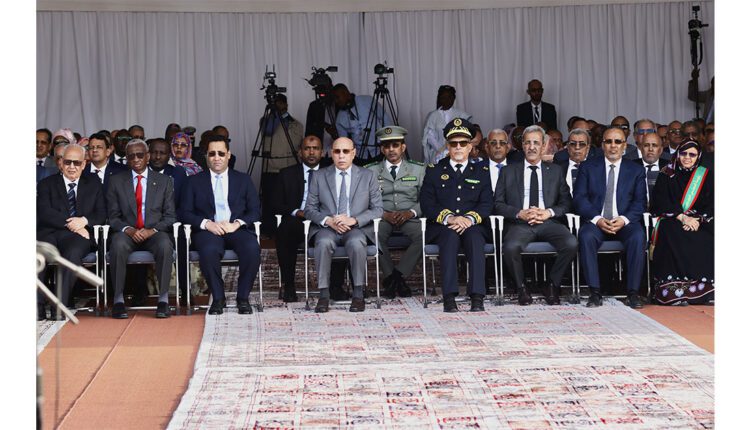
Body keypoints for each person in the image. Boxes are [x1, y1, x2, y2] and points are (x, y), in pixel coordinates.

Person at [494, 125, 577, 305]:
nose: (532, 147)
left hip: (548, 222)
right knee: (510, 247)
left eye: (536, 143)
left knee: (571, 243)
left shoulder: (555, 171)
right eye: (528, 143)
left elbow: (566, 203)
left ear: (544, 146)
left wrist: (548, 212)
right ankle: (521, 287)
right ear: (522, 145)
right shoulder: (508, 171)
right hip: (520, 224)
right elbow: (498, 204)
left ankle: (552, 285)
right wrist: (519, 213)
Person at [180, 135, 262, 315]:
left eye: (221, 153)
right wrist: (206, 224)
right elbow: (184, 212)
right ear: (206, 156)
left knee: (252, 248)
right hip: (209, 230)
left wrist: (237, 224)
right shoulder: (193, 181)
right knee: (208, 250)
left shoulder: (243, 179)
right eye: (212, 154)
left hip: (236, 228)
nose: (216, 158)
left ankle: (243, 298)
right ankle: (218, 298)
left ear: (229, 155)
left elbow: (255, 210)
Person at [419, 118, 493, 312]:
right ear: (448, 146)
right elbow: (427, 203)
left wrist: (468, 219)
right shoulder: (434, 171)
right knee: (450, 238)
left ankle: (477, 296)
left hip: (472, 224)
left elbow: (487, 203)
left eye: (463, 143)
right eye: (454, 143)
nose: (458, 147)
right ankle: (449, 297)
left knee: (475, 239)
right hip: (444, 225)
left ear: (470, 146)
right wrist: (450, 218)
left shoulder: (481, 171)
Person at [304, 137, 384, 313]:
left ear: (353, 153)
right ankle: (324, 295)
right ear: (331, 154)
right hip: (328, 229)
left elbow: (378, 209)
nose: (341, 155)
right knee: (323, 243)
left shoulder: (367, 175)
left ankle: (358, 294)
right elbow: (309, 209)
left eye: (345, 151)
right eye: (337, 151)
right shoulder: (319, 176)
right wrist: (328, 220)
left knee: (356, 243)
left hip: (355, 228)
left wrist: (353, 220)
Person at [573, 126, 647, 309]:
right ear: (602, 145)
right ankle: (595, 292)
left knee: (638, 236)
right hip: (597, 222)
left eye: (618, 142)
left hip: (624, 222)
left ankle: (633, 293)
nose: (613, 146)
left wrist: (623, 220)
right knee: (586, 236)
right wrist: (597, 219)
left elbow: (640, 202)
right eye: (608, 141)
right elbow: (579, 199)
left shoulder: (636, 170)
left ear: (625, 146)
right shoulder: (588, 167)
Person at [274, 136, 349, 302]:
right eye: (307, 148)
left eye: (315, 148)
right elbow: (276, 204)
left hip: (326, 220)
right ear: (300, 152)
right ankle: (289, 285)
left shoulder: (334, 172)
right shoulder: (286, 174)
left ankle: (336, 286)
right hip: (299, 220)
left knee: (341, 229)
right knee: (284, 230)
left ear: (322, 152)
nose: (311, 152)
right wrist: (297, 212)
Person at [107, 139, 176, 319]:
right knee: (117, 245)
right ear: (126, 159)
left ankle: (163, 300)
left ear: (147, 156)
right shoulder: (116, 181)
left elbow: (170, 216)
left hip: (154, 232)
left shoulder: (164, 181)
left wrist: (151, 231)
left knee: (165, 245)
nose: (136, 159)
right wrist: (128, 230)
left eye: (140, 155)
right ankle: (118, 300)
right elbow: (112, 217)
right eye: (131, 156)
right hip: (128, 233)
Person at [37, 144, 106, 319]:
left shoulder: (94, 184)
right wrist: (73, 224)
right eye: (68, 162)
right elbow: (44, 212)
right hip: (51, 232)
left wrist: (84, 221)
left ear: (84, 164)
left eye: (77, 163)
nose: (72, 167)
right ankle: (37, 305)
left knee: (73, 253)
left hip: (78, 236)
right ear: (61, 163)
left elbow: (101, 213)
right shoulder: (46, 184)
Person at [650, 140, 713, 305]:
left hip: (698, 220)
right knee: (671, 231)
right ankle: (673, 291)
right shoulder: (666, 174)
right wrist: (682, 217)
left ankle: (704, 288)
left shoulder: (706, 175)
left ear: (698, 156)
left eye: (692, 154)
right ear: (677, 154)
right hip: (673, 218)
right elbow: (660, 201)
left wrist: (698, 219)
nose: (687, 157)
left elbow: (712, 202)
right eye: (683, 153)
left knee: (706, 235)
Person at [366, 126, 425, 299]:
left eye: (395, 145)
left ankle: (397, 277)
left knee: (425, 236)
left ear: (403, 147)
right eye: (387, 146)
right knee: (373, 236)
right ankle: (391, 277)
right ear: (381, 149)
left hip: (409, 216)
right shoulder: (370, 171)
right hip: (383, 216)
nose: (391, 149)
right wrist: (383, 214)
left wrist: (410, 213)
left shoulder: (418, 169)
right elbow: (365, 201)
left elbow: (427, 199)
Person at [259, 94, 304, 236]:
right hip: (271, 168)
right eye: (276, 104)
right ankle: (268, 230)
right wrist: (276, 115)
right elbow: (268, 131)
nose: (278, 106)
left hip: (290, 168)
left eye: (281, 103)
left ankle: (288, 230)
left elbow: (299, 145)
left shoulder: (296, 124)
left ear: (286, 105)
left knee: (289, 201)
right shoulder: (266, 121)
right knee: (269, 201)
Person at [332, 83, 394, 161]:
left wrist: (388, 138)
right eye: (334, 99)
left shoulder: (367, 100)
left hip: (379, 150)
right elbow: (344, 141)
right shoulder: (339, 118)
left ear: (345, 93)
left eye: (337, 97)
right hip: (360, 155)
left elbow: (384, 116)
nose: (336, 101)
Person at [421, 85, 472, 164]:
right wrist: (442, 151)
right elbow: (429, 137)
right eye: (444, 97)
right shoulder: (433, 115)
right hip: (437, 154)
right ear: (439, 98)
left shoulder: (462, 115)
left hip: (458, 152)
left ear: (454, 98)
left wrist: (451, 149)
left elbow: (467, 136)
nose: (447, 100)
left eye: (449, 97)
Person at [84, 132, 127, 199]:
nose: (94, 150)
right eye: (91, 147)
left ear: (108, 152)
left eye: (99, 147)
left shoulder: (121, 171)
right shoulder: (82, 172)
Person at [555, 128, 595, 196]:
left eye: (582, 144)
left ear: (588, 148)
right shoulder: (557, 169)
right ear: (567, 147)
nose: (577, 147)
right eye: (573, 144)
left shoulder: (596, 169)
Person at [633, 132, 668, 208]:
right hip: (637, 211)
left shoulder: (669, 167)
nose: (650, 149)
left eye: (654, 145)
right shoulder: (631, 167)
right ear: (641, 149)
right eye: (646, 145)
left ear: (661, 150)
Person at [482, 129, 511, 194]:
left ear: (508, 147)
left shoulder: (518, 169)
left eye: (502, 143)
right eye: (493, 143)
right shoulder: (477, 169)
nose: (498, 146)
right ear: (487, 148)